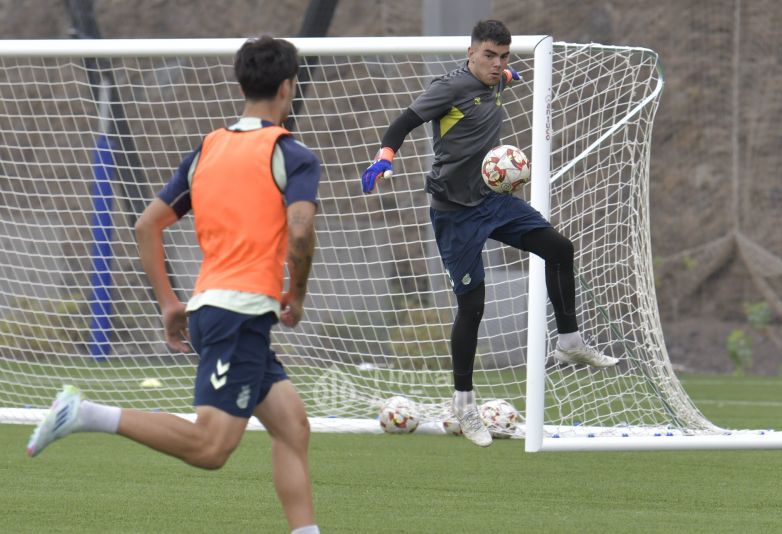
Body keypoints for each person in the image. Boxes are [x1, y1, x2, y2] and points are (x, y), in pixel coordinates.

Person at [27, 36, 322, 534]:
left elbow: (147, 225)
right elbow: (299, 231)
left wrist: (168, 302)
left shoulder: (206, 149)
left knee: (292, 425)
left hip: (215, 307)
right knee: (211, 447)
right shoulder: (292, 154)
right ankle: (85, 413)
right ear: (287, 86)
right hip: (240, 313)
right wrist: (297, 293)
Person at [360, 20, 619, 448]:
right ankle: (464, 404)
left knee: (559, 248)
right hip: (455, 213)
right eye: (489, 56)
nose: (497, 65)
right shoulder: (450, 88)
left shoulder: (499, 79)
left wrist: (511, 73)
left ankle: (570, 340)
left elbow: (508, 77)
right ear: (470, 53)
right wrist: (385, 157)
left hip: (492, 201)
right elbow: (404, 121)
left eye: (504, 57)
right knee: (473, 306)